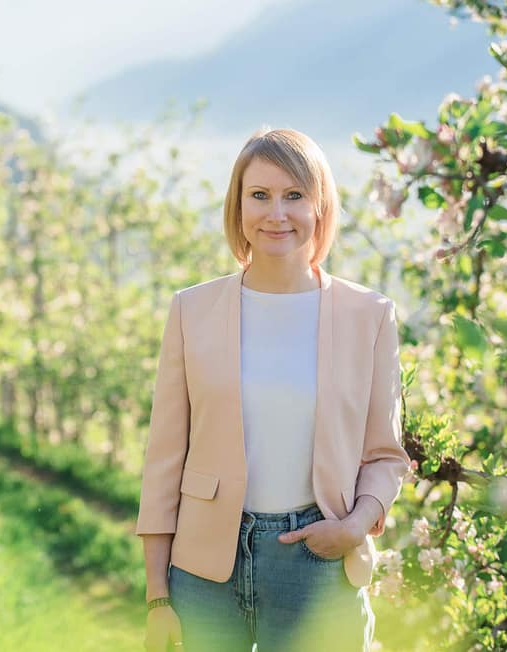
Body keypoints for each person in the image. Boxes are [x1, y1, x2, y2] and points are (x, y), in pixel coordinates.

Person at [137, 128, 411, 652]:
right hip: (204, 572)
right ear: (237, 205)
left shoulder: (369, 315)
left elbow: (386, 454)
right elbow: (164, 461)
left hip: (318, 560)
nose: (276, 213)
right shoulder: (191, 310)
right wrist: (157, 597)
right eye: (259, 195)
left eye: (294, 196)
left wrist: (356, 525)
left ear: (319, 207)